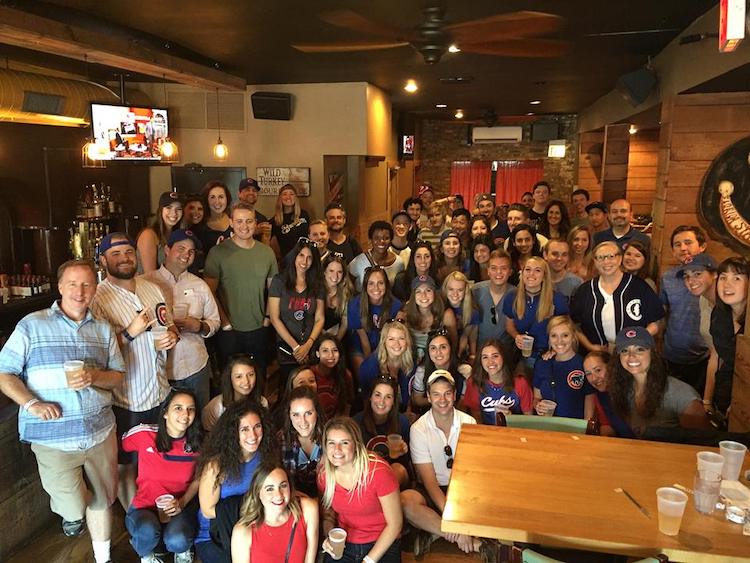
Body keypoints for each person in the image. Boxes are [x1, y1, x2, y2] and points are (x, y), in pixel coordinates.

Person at [0, 260, 124, 563]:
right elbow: (4, 372)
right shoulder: (32, 324)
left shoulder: (104, 330)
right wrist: (33, 404)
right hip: (52, 437)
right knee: (73, 506)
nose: (80, 292)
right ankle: (71, 514)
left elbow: (118, 375)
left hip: (99, 430)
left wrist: (94, 376)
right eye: (73, 284)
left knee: (103, 500)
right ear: (60, 287)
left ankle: (102, 557)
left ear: (95, 288)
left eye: (86, 285)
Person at [90, 233, 178, 509]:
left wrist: (172, 335)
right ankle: (136, 521)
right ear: (103, 260)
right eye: (115, 254)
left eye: (128, 252)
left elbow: (169, 324)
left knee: (158, 458)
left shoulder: (151, 288)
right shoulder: (97, 299)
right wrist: (129, 333)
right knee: (127, 466)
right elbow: (96, 355)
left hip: (160, 391)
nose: (124, 258)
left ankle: (156, 514)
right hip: (127, 399)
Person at [401, 370, 488, 559]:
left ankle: (434, 531)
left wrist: (458, 514)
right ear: (429, 397)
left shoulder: (469, 422)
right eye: (436, 394)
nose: (443, 399)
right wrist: (456, 524)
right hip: (434, 490)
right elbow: (430, 482)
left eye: (447, 393)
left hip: (463, 490)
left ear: (455, 395)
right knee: (406, 501)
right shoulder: (419, 429)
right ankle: (465, 540)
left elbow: (470, 475)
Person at [143, 229, 220, 409]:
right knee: (167, 427)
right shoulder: (146, 283)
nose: (186, 255)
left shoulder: (199, 285)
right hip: (159, 372)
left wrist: (199, 327)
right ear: (167, 250)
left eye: (191, 251)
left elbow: (214, 322)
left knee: (200, 421)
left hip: (196, 367)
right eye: (181, 248)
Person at [123, 389, 202, 563]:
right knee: (147, 532)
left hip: (179, 507)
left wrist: (181, 503)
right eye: (178, 408)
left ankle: (181, 551)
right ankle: (146, 554)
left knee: (178, 539)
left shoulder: (198, 444)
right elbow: (119, 447)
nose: (185, 414)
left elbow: (199, 480)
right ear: (165, 412)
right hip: (144, 507)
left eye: (191, 409)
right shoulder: (145, 434)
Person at [204, 202, 278, 372]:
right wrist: (225, 324)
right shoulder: (217, 253)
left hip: (259, 327)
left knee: (258, 376)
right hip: (230, 330)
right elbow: (209, 293)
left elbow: (274, 290)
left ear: (256, 223)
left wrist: (267, 319)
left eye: (249, 221)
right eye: (239, 221)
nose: (244, 226)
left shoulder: (266, 253)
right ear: (231, 222)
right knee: (230, 379)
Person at [195, 400, 272, 563]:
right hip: (215, 535)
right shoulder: (216, 465)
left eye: (257, 426)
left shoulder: (265, 457)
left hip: (254, 526)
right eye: (244, 429)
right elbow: (208, 510)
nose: (253, 435)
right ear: (233, 432)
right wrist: (248, 508)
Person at [318, 417, 403, 563]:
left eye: (344, 442)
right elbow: (328, 515)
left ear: (356, 445)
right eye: (331, 443)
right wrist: (329, 537)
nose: (337, 450)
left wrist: (368, 560)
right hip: (346, 543)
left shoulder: (378, 471)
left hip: (381, 543)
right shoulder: (324, 476)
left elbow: (395, 524)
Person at [607, 327, 710, 437]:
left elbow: (703, 445)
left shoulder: (682, 395)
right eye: (624, 350)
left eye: (639, 349)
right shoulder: (622, 390)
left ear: (653, 353)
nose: (631, 356)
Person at [570, 241, 663, 353]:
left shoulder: (639, 286)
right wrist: (590, 346)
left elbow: (656, 321)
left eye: (611, 256)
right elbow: (574, 325)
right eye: (600, 257)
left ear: (620, 259)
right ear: (594, 261)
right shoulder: (585, 290)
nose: (606, 262)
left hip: (632, 354)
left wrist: (636, 341)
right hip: (596, 355)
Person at [231, 462, 319, 563]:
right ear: (258, 493)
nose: (278, 495)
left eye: (283, 486)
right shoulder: (242, 532)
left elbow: (310, 560)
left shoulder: (307, 510)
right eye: (269, 489)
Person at [660, 226, 710, 393]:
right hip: (672, 355)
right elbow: (663, 313)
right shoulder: (667, 278)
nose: (683, 248)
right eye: (677, 244)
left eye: (688, 242)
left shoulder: (714, 276)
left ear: (702, 246)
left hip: (705, 357)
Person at [268, 238, 325, 378]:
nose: (304, 262)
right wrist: (296, 348)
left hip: (311, 346)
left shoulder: (317, 283)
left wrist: (308, 345)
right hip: (287, 347)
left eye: (309, 258)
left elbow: (319, 318)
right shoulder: (279, 281)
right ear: (294, 255)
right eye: (301, 255)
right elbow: (275, 318)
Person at [503, 256, 568, 366]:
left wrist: (555, 349)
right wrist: (517, 336)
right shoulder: (511, 297)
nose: (531, 274)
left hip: (548, 356)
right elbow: (509, 325)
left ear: (544, 276)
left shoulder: (557, 299)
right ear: (522, 273)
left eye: (537, 270)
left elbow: (567, 330)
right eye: (528, 269)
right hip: (521, 356)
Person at [676, 254, 718, 411]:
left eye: (697, 274)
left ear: (714, 274)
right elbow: (715, 352)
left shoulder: (731, 305)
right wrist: (707, 400)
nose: (691, 281)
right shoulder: (703, 299)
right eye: (686, 276)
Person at [353, 375, 412, 487]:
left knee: (397, 469)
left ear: (394, 401)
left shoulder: (402, 422)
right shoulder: (356, 422)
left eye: (388, 397)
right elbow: (352, 461)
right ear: (370, 397)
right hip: (365, 474)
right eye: (377, 395)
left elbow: (405, 466)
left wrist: (403, 452)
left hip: (393, 476)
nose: (382, 401)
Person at [533, 316, 595, 419]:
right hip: (548, 427)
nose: (559, 341)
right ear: (549, 338)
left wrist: (586, 428)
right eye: (554, 336)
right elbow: (536, 398)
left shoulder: (583, 364)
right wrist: (538, 406)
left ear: (573, 336)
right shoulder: (542, 364)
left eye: (565, 335)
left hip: (574, 428)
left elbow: (590, 399)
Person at [709, 256, 749, 415]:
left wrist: (741, 402)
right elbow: (717, 357)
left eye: (737, 278)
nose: (727, 284)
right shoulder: (719, 315)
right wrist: (707, 401)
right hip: (723, 394)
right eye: (723, 277)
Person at [346, 266, 402, 372]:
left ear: (386, 285)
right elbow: (363, 339)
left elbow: (392, 338)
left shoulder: (395, 305)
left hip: (385, 347)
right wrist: (371, 364)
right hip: (360, 347)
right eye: (371, 283)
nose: (376, 288)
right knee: (365, 371)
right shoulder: (355, 304)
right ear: (365, 286)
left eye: (380, 283)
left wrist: (383, 360)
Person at [463, 340, 533, 423]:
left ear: (504, 357)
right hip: (487, 432)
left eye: (495, 356)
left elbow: (529, 419)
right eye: (485, 357)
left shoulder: (520, 383)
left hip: (514, 431)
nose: (490, 362)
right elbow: (476, 418)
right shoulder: (474, 382)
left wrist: (511, 419)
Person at [278, 386, 325, 498]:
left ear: (317, 412)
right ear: (289, 416)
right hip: (294, 500)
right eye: (296, 415)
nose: (303, 421)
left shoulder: (330, 437)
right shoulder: (280, 440)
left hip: (327, 498)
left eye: (308, 413)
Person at [358, 320, 415, 411]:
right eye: (391, 339)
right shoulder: (369, 367)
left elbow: (409, 396)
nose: (397, 343)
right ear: (384, 342)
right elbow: (367, 404)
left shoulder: (410, 363)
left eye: (401, 338)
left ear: (407, 342)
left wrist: (408, 412)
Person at [203, 354, 268, 432]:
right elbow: (208, 434)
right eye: (239, 377)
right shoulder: (217, 406)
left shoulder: (262, 402)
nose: (246, 381)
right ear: (229, 379)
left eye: (251, 375)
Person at [404, 275, 458, 363]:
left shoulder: (446, 315)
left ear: (434, 293)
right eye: (418, 291)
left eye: (428, 290)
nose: (423, 295)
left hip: (438, 361)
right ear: (413, 296)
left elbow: (453, 344)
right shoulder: (405, 314)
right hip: (412, 362)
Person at [410, 328, 466, 410]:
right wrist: (440, 401)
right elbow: (417, 400)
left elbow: (463, 403)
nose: (438, 352)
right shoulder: (422, 371)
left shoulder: (463, 370)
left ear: (451, 349)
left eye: (443, 347)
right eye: (433, 348)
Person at [472, 250, 514, 347]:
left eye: (503, 268)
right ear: (488, 271)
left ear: (510, 272)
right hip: (480, 352)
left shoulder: (517, 295)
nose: (498, 272)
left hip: (507, 353)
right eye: (494, 268)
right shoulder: (475, 291)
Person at [349, 221, 405, 292]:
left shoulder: (398, 263)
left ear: (391, 240)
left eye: (386, 238)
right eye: (376, 238)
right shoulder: (358, 262)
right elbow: (348, 282)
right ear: (371, 239)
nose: (381, 241)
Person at [137, 191, 184, 274]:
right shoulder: (148, 235)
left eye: (178, 209)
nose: (174, 213)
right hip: (148, 285)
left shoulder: (177, 235)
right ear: (160, 210)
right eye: (168, 208)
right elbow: (150, 274)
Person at [310, 335, 354, 420]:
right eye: (325, 351)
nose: (331, 355)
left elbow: (348, 404)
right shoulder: (309, 374)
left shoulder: (345, 375)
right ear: (317, 354)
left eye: (335, 350)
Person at [442, 271, 479, 363]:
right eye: (451, 289)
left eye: (460, 290)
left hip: (460, 347)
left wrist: (472, 355)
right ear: (445, 289)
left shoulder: (472, 311)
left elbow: (471, 335)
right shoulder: (439, 305)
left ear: (465, 291)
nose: (455, 294)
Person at [269, 184, 311, 259]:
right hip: (288, 261)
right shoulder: (275, 221)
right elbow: (266, 242)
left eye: (291, 194)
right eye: (284, 194)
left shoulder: (304, 214)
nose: (288, 197)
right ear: (280, 198)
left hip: (306, 257)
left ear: (295, 197)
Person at [582, 351, 618, 437]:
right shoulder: (599, 396)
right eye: (588, 374)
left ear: (610, 367)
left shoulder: (630, 390)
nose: (594, 378)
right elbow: (606, 425)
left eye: (598, 370)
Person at [321, 252, 353, 341]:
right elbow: (312, 320)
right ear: (324, 271)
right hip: (316, 337)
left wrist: (336, 342)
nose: (335, 276)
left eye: (339, 272)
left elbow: (344, 323)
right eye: (331, 271)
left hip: (338, 338)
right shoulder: (316, 290)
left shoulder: (346, 292)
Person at [199, 181, 233, 252]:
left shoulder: (235, 219)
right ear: (206, 200)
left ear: (227, 199)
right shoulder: (199, 226)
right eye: (212, 197)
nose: (217, 202)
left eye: (221, 197)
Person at [237, 178, 272, 244]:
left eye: (254, 190)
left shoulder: (262, 219)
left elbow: (265, 247)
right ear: (239, 194)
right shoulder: (231, 216)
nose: (251, 193)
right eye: (247, 190)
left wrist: (267, 236)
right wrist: (253, 231)